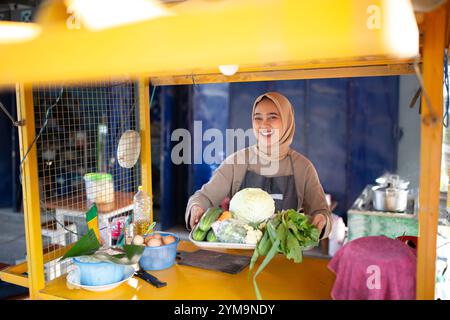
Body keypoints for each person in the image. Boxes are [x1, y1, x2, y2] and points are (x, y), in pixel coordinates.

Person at [185, 92, 332, 239]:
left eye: (273, 117)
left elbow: (321, 212)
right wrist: (196, 207)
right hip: (237, 256)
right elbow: (205, 196)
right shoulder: (236, 162)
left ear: (287, 121)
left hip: (284, 256)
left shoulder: (303, 168)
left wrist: (322, 221)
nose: (264, 124)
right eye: (258, 118)